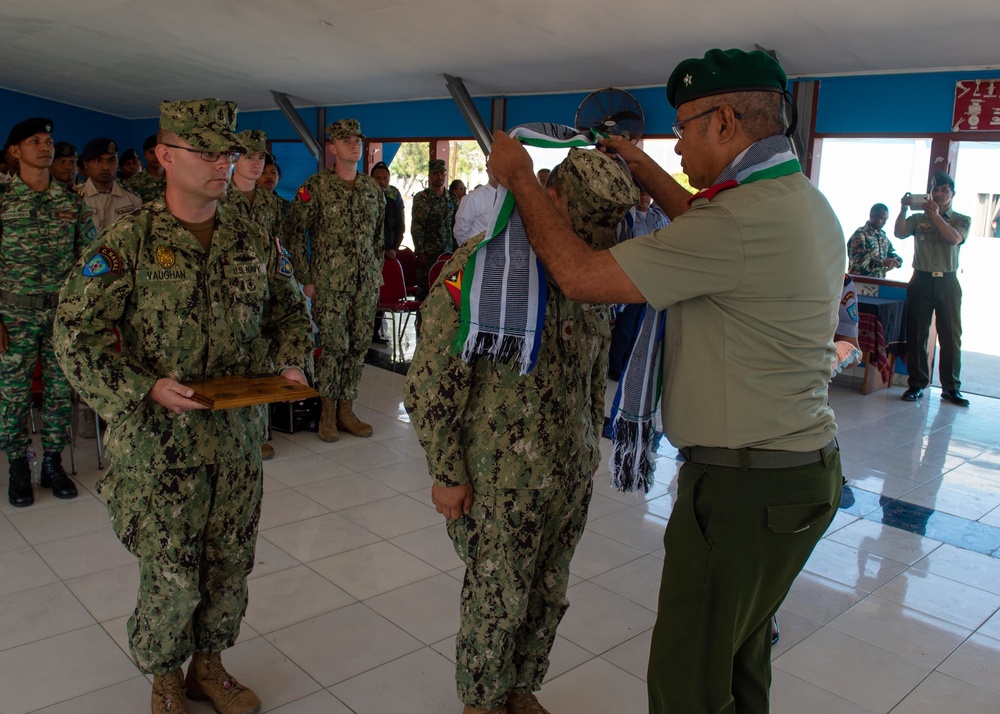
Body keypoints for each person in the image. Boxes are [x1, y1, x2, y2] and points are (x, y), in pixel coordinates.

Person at [487, 48, 845, 714]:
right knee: (739, 663)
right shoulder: (797, 201)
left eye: (683, 126)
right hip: (796, 475)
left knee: (688, 680)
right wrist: (643, 165)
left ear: (727, 122)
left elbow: (582, 278)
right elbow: (707, 229)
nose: (675, 140)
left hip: (744, 491)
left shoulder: (735, 223)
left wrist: (522, 183)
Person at [53, 98, 313, 714]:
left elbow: (289, 312)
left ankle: (210, 667)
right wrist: (143, 388)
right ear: (165, 157)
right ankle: (165, 676)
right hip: (162, 443)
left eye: (228, 152)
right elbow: (74, 335)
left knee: (229, 560)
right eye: (207, 151)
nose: (223, 163)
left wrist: (290, 358)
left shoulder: (252, 237)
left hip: (237, 438)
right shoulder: (128, 244)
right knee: (170, 571)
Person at [405, 148, 637, 714]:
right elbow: (431, 383)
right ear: (548, 199)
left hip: (567, 471)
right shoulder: (482, 268)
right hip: (500, 479)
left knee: (548, 593)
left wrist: (589, 443)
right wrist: (446, 473)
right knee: (495, 600)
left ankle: (520, 688)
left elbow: (594, 367)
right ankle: (481, 702)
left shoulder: (591, 273)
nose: (589, 242)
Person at [2, 117, 96, 507]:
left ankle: (53, 463)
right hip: (12, 316)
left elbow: (87, 264)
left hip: (60, 315)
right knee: (12, 395)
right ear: (14, 151)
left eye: (49, 141)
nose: (45, 147)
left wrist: (82, 314)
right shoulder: (4, 201)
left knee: (60, 393)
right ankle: (18, 464)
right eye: (35, 141)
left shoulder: (72, 203)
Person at [286, 119, 384, 441]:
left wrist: (376, 273)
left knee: (357, 347)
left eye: (357, 140)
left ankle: (346, 410)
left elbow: (379, 237)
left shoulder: (372, 189)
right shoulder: (315, 187)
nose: (354, 145)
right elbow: (295, 233)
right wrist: (305, 277)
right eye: (346, 140)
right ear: (332, 147)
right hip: (329, 282)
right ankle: (327, 413)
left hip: (364, 283)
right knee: (333, 348)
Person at [221, 129, 287, 461]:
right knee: (230, 361)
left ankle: (258, 431)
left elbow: (279, 250)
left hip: (262, 292)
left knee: (261, 361)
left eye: (260, 157)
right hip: (227, 294)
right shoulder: (220, 198)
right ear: (234, 160)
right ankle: (230, 428)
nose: (256, 163)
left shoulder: (271, 203)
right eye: (248, 156)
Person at [895, 172, 972, 406]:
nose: (938, 194)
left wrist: (937, 216)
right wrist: (903, 209)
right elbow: (899, 232)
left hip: (947, 281)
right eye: (935, 190)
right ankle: (917, 384)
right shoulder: (919, 219)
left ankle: (951, 388)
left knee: (950, 335)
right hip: (921, 279)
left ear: (952, 194)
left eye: (943, 191)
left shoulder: (961, 219)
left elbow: (954, 239)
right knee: (917, 333)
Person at [607, 190, 670, 381]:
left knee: (640, 328)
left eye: (647, 194)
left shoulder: (658, 217)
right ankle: (615, 367)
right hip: (631, 280)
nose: (644, 198)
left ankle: (628, 367)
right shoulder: (626, 218)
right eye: (640, 194)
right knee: (624, 327)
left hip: (653, 282)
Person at [411, 158, 458, 298]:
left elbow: (456, 225)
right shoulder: (423, 198)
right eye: (436, 173)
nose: (440, 176)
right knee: (425, 293)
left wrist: (456, 251)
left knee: (449, 291)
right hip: (428, 254)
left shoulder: (451, 198)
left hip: (448, 253)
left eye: (442, 173)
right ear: (430, 175)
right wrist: (420, 251)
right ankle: (420, 320)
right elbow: (417, 226)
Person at [370, 161, 405, 344]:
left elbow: (400, 228)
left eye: (385, 178)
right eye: (378, 178)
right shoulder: (365, 201)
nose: (382, 182)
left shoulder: (392, 203)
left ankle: (375, 332)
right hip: (369, 258)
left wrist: (393, 248)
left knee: (382, 296)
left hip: (387, 257)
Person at [77, 137, 143, 232]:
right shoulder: (75, 198)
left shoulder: (132, 199)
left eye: (112, 161)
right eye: (98, 161)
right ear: (86, 164)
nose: (105, 167)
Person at [847, 203, 902, 277]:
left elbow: (890, 253)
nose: (884, 222)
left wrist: (895, 260)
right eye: (881, 219)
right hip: (860, 282)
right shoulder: (860, 235)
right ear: (872, 216)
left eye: (886, 219)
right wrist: (882, 263)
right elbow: (858, 263)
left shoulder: (883, 237)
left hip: (878, 283)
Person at [453, 171, 498, 246]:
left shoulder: (513, 196)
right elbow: (460, 232)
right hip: (479, 253)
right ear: (488, 171)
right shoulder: (473, 198)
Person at [124, 134, 167, 203]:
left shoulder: (175, 180)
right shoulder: (133, 182)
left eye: (158, 152)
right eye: (151, 152)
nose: (155, 156)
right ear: (144, 153)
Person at [257, 153, 292, 228]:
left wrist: (303, 192)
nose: (269, 176)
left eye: (273, 172)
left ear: (279, 178)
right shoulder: (250, 201)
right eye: (263, 173)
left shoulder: (284, 204)